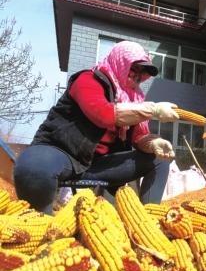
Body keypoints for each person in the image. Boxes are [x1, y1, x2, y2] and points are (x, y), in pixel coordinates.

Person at [13, 41, 180, 215]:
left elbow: (138, 136)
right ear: (120, 63)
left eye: (141, 72)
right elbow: (102, 113)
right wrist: (153, 110)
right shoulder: (89, 80)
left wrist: (154, 144)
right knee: (33, 168)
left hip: (98, 164)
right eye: (133, 68)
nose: (137, 76)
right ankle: (42, 225)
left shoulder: (134, 100)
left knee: (158, 160)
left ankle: (150, 222)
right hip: (62, 153)